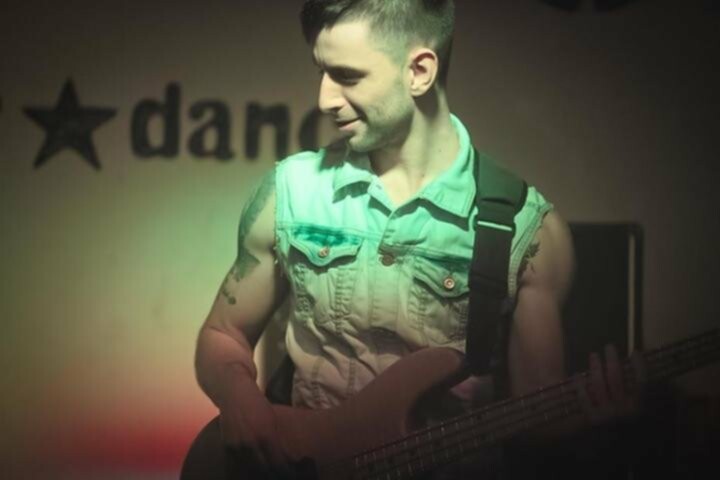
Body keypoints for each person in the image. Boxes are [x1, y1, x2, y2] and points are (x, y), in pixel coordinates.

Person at [193, 0, 644, 478]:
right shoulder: (291, 190)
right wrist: (238, 396)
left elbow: (537, 418)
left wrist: (595, 418)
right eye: (321, 71)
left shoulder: (526, 231)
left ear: (419, 72)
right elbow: (222, 334)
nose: (324, 98)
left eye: (347, 76)